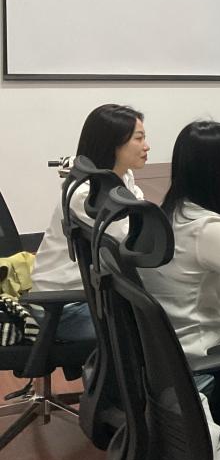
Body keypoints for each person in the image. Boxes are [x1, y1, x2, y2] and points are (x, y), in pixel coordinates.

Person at [146, 121, 220, 357]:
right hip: (202, 355)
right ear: (218, 170)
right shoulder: (207, 229)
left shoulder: (171, 212)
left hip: (169, 349)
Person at [30, 104, 149, 340]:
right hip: (65, 307)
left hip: (92, 295)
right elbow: (132, 243)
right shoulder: (87, 196)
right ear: (112, 143)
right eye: (139, 138)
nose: (146, 146)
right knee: (153, 334)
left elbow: (140, 218)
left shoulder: (121, 176)